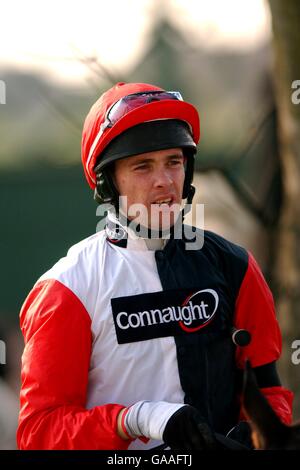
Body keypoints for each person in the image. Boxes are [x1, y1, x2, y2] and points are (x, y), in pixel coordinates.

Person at [17, 82, 293, 450]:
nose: (164, 181)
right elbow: (39, 433)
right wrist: (137, 419)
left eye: (174, 162)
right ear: (107, 182)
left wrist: (261, 433)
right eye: (143, 166)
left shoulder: (235, 265)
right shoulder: (67, 288)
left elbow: (270, 390)